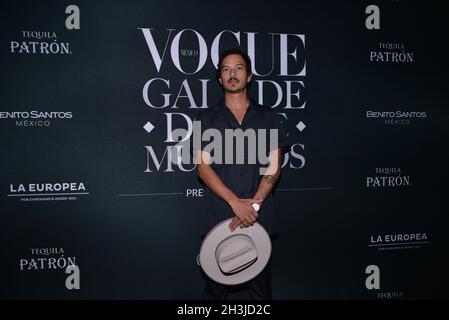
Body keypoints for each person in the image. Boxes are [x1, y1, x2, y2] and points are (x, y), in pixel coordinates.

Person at [194, 48, 290, 300]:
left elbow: (274, 165)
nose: (232, 74)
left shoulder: (269, 117)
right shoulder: (204, 119)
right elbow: (202, 168)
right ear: (219, 78)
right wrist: (235, 203)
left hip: (257, 219)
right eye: (226, 69)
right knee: (214, 293)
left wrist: (253, 206)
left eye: (238, 68)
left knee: (261, 295)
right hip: (219, 218)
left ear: (249, 76)